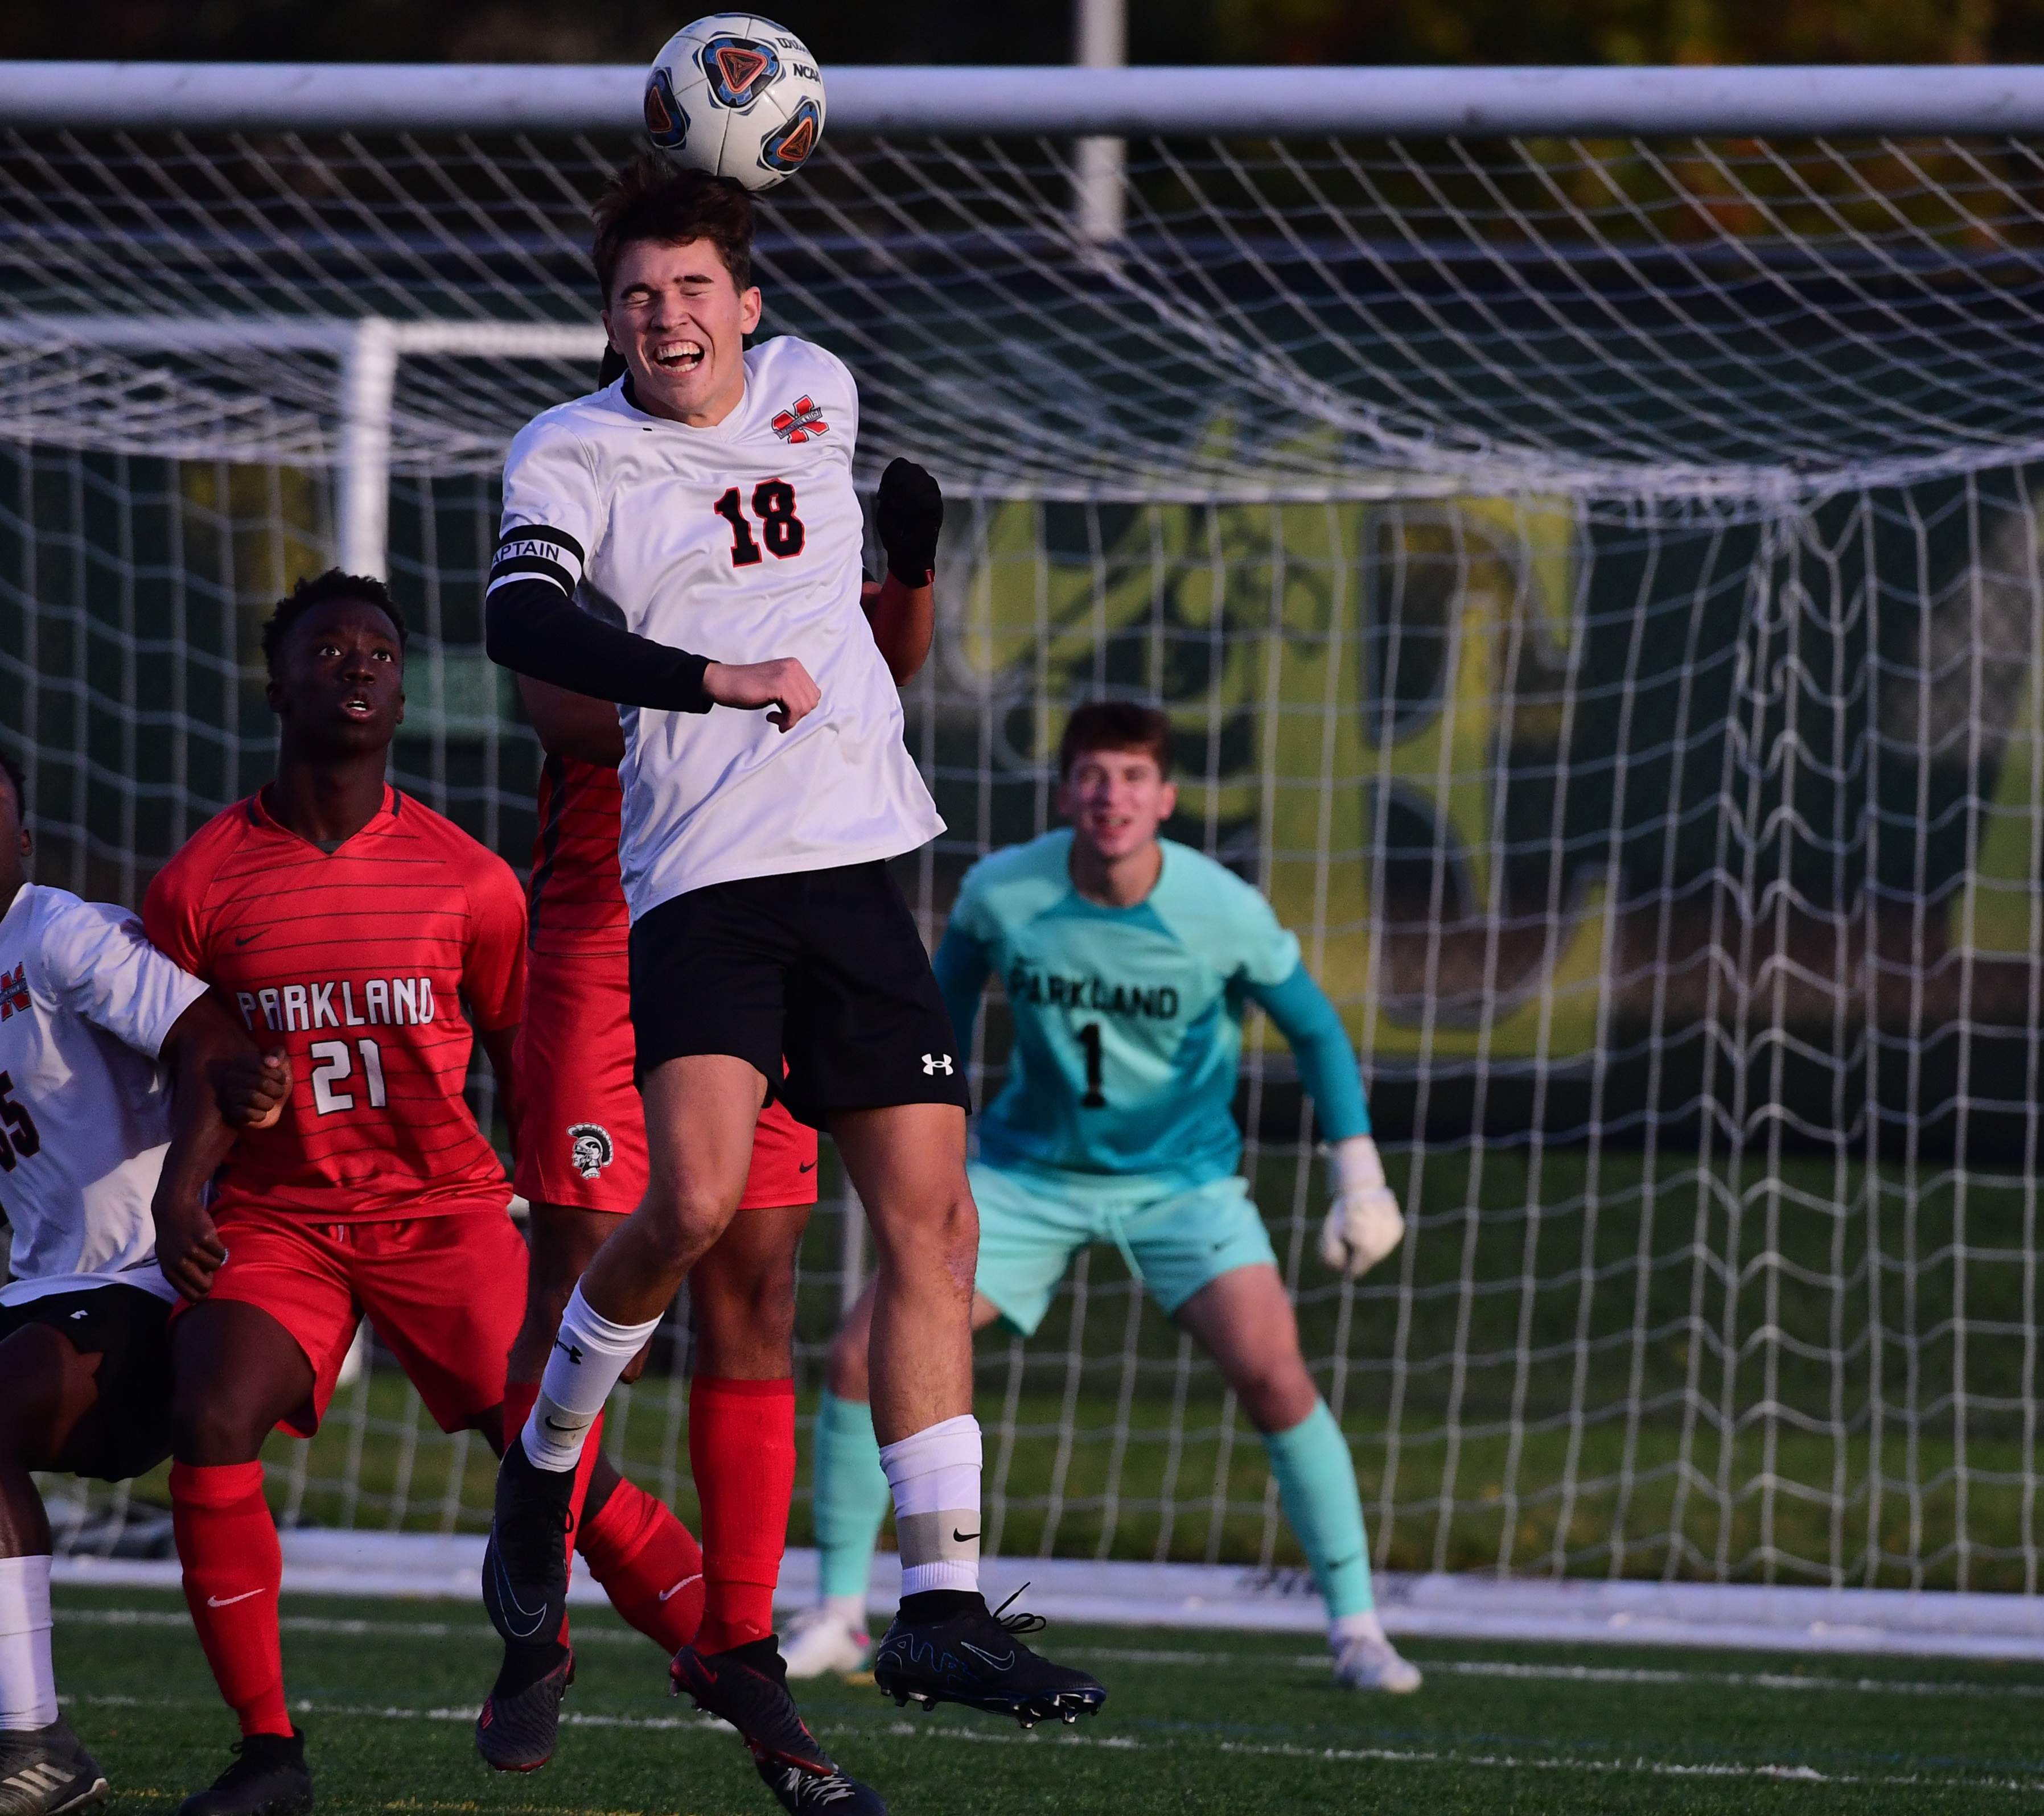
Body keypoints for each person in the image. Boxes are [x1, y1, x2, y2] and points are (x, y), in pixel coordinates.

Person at [481, 157, 1104, 1806]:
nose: (664, 315)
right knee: (685, 1212)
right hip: (698, 884)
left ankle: (943, 1608)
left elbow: (868, 654)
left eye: (693, 289)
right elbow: (518, 617)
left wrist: (908, 568)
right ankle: (544, 1478)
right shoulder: (570, 451)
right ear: (606, 314)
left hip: (859, 867)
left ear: (748, 304)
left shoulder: (822, 388)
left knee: (933, 1224)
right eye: (636, 293)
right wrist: (710, 675)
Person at [782, 701, 1421, 1693]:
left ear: (1166, 798)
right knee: (860, 1355)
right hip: (1027, 1177)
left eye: (1131, 777)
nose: (1110, 796)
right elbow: (933, 1031)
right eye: (1092, 774)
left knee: (1276, 1378)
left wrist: (1361, 1176)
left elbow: (1319, 1033)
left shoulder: (1223, 909)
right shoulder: (1003, 893)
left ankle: (1359, 1629)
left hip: (1184, 1188)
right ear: (1064, 789)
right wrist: (915, 1158)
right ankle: (834, 1614)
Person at [141, 570, 537, 1816]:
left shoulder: (472, 881)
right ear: (278, 688)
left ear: (405, 689)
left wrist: (577, 1237)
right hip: (281, 1222)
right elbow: (180, 1059)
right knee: (206, 1418)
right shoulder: (198, 885)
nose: (357, 667)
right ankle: (270, 1755)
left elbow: (526, 1055)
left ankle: (664, 1660)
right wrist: (191, 1174)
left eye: (379, 652)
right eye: (329, 651)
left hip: (440, 1212)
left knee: (544, 1450)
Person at [0, 753, 258, 1815]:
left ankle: (37, 1746)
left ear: (21, 839)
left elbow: (217, 1045)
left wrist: (181, 1202)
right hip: (33, 1296)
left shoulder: (55, 930)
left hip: (135, 1293)